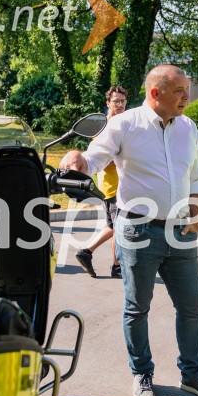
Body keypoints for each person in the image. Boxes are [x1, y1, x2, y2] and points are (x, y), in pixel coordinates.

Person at [59, 64, 198, 396]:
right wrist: (76, 159)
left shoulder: (188, 127)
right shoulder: (123, 124)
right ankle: (142, 373)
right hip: (137, 230)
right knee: (137, 308)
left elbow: (196, 175)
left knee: (192, 308)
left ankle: (192, 375)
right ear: (156, 93)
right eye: (179, 91)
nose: (187, 97)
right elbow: (92, 159)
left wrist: (196, 209)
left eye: (186, 89)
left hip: (181, 233)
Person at [74, 85, 127, 278]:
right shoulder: (104, 126)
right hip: (112, 186)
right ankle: (117, 266)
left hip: (119, 185)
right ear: (108, 103)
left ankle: (86, 252)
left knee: (112, 226)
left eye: (122, 101)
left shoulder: (125, 122)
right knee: (118, 227)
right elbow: (103, 155)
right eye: (116, 101)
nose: (120, 105)